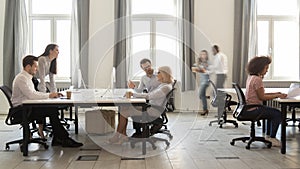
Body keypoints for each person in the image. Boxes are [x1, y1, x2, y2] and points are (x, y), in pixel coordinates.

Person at [11, 55, 83, 147]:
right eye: (35, 67)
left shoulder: (27, 78)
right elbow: (31, 95)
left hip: (27, 108)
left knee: (52, 108)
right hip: (21, 111)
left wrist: (49, 96)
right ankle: (63, 138)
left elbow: (33, 93)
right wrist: (49, 95)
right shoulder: (22, 78)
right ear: (28, 67)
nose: (37, 69)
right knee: (51, 110)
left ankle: (59, 138)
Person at [109, 66, 173, 144]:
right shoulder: (163, 85)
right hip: (151, 107)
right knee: (124, 108)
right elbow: (151, 95)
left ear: (164, 74)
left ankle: (117, 136)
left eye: (158, 72)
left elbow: (149, 96)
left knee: (124, 112)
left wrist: (133, 94)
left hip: (153, 110)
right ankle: (123, 135)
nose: (156, 74)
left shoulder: (165, 87)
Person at [245, 56, 286, 147]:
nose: (267, 70)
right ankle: (271, 137)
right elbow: (262, 97)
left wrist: (276, 93)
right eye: (266, 68)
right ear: (260, 67)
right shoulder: (258, 80)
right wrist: (277, 95)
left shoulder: (251, 77)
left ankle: (269, 137)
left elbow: (261, 93)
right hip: (254, 108)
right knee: (277, 114)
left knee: (270, 112)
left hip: (249, 107)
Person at [127, 58, 161, 137]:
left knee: (136, 108)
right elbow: (139, 91)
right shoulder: (143, 78)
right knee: (134, 106)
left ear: (151, 65)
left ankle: (142, 131)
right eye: (145, 68)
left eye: (148, 66)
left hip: (157, 102)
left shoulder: (159, 75)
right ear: (142, 69)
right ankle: (138, 131)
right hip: (150, 100)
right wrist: (133, 87)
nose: (148, 69)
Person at [33, 44, 59, 138]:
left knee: (48, 104)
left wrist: (54, 93)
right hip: (33, 83)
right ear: (50, 51)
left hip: (40, 84)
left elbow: (52, 79)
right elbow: (42, 77)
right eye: (56, 50)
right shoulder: (42, 59)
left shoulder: (52, 61)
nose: (58, 52)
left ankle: (45, 128)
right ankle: (40, 130)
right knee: (41, 105)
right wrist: (44, 94)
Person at [193, 50, 210, 116]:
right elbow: (194, 68)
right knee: (201, 95)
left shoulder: (208, 63)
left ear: (206, 55)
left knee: (201, 94)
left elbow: (209, 71)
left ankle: (205, 109)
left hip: (206, 81)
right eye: (202, 54)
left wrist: (204, 70)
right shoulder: (199, 63)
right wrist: (198, 67)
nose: (203, 55)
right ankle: (206, 98)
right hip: (202, 81)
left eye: (204, 54)